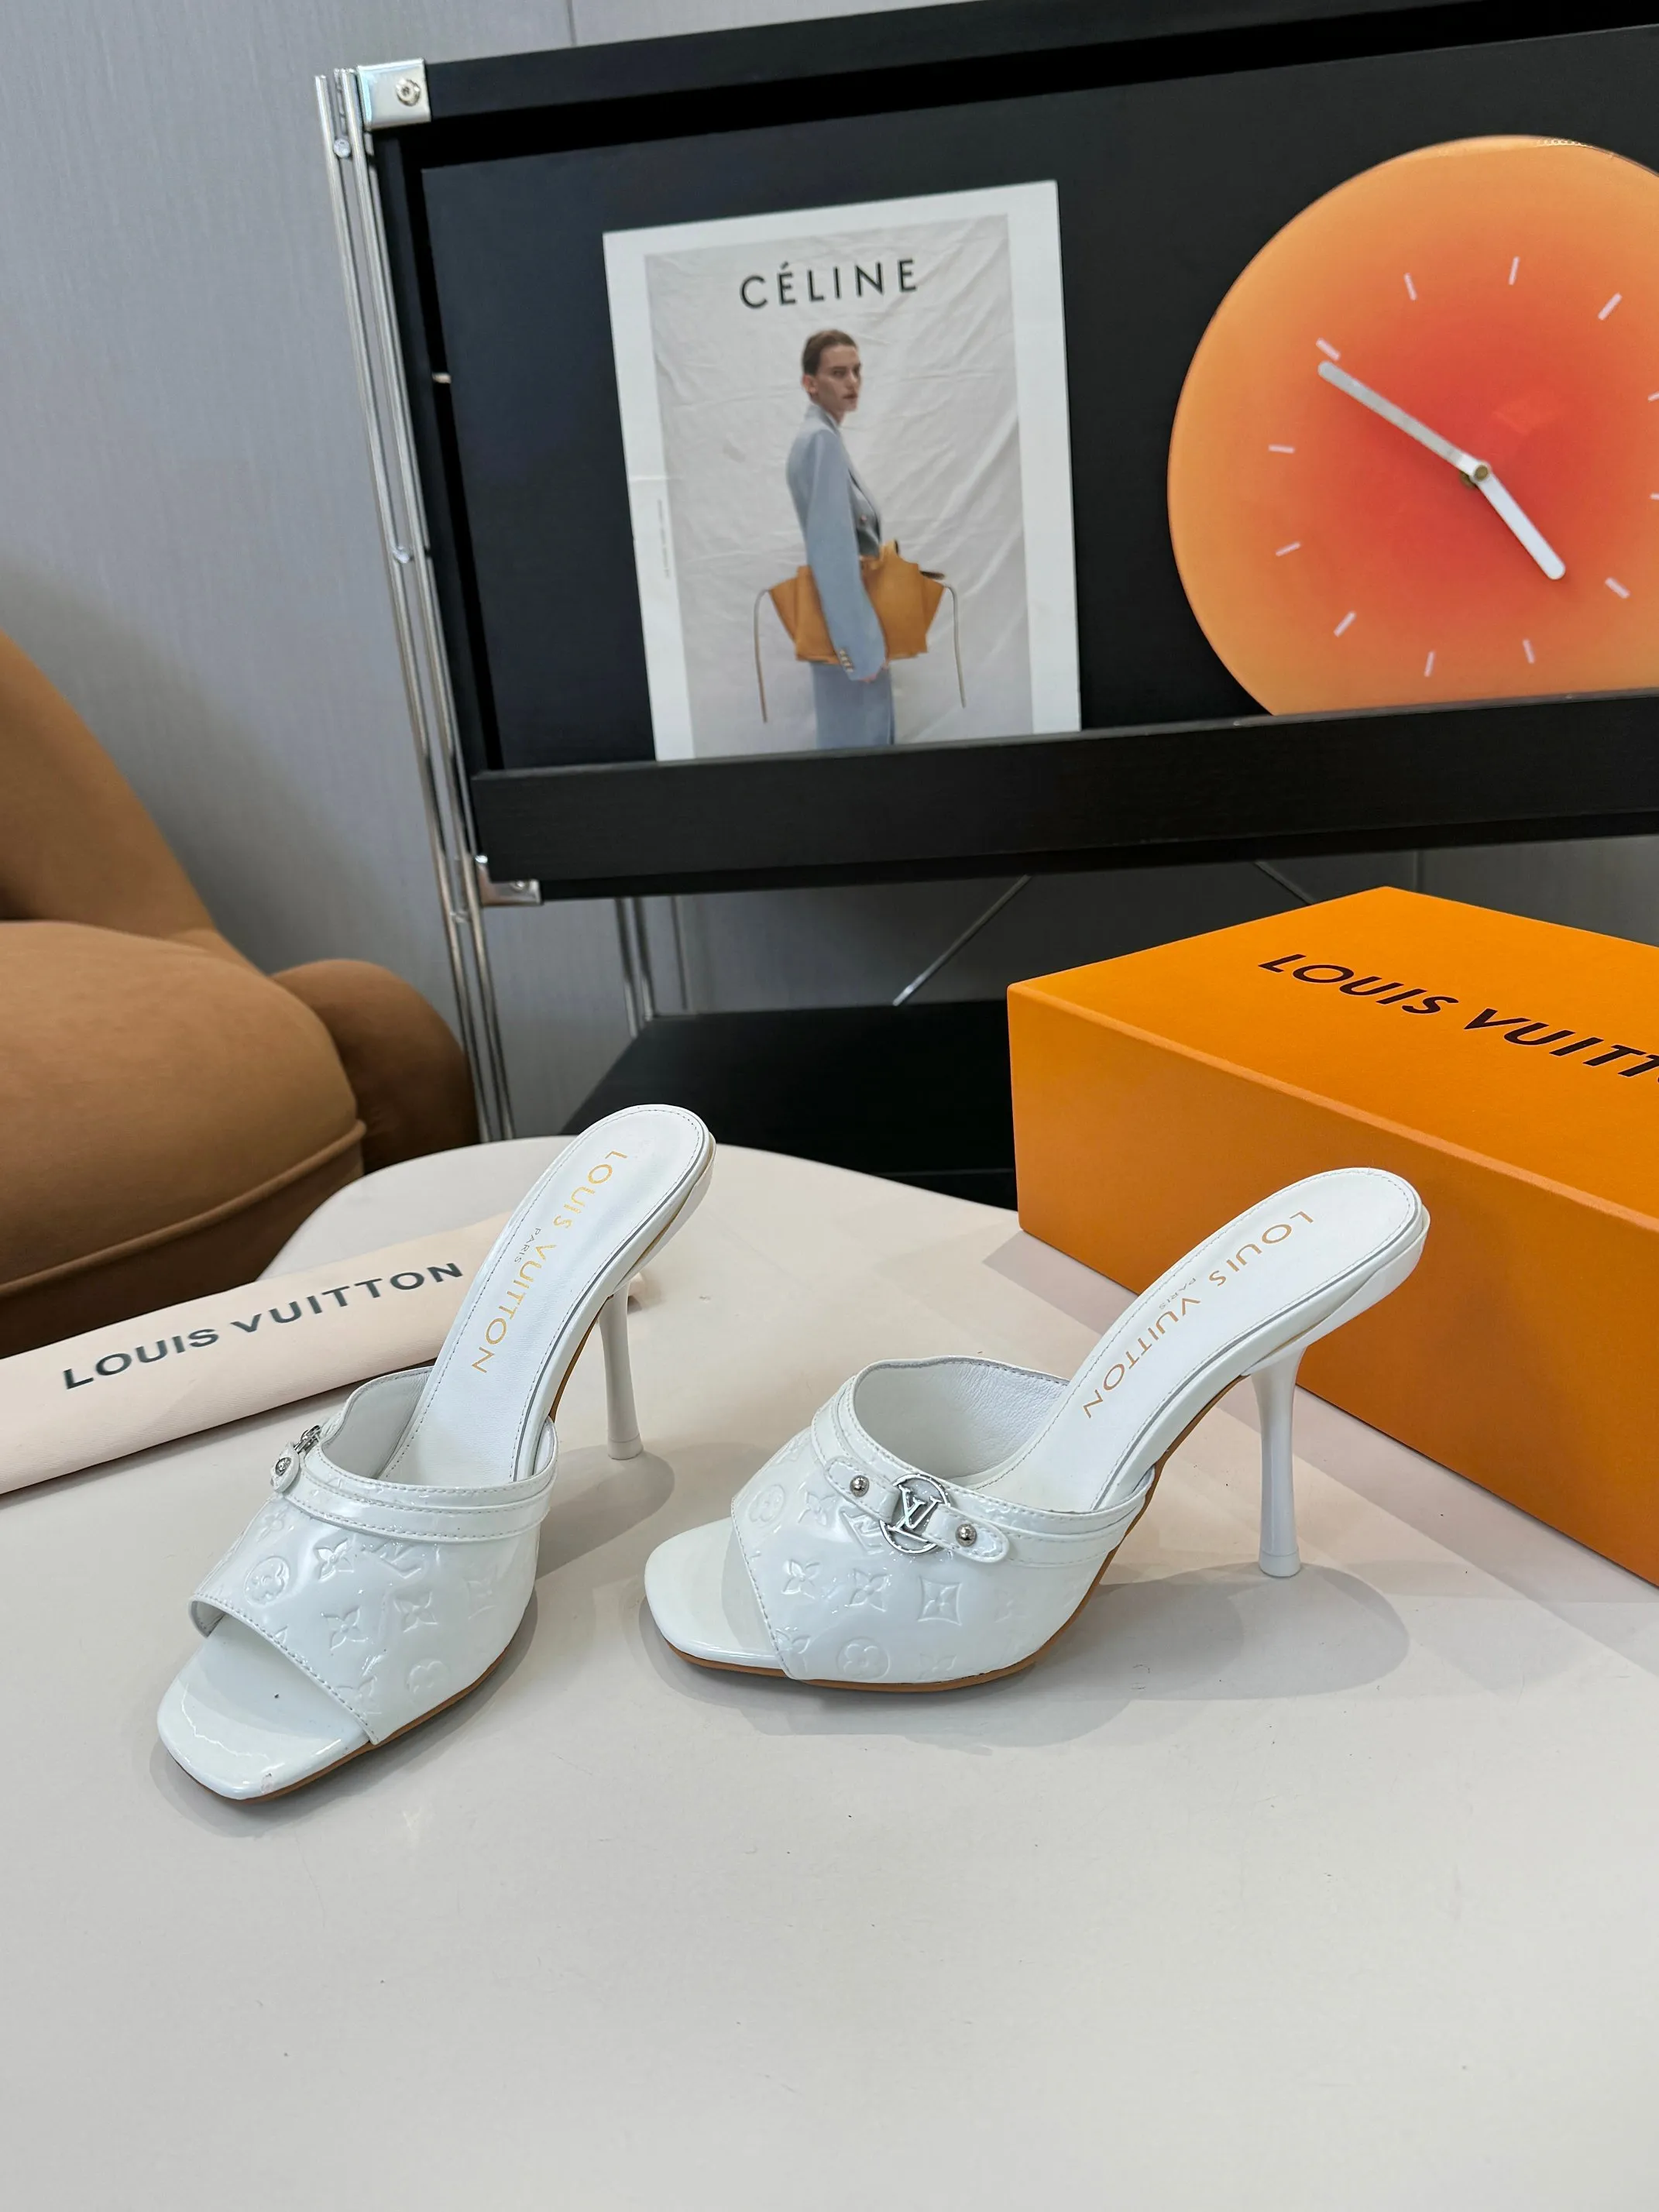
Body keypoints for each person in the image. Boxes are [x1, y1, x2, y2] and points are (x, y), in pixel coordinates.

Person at [785, 329, 895, 748]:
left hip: (849, 633)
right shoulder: (821, 442)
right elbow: (832, 554)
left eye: (856, 371)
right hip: (850, 642)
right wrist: (861, 652)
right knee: (860, 753)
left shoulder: (825, 437)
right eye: (837, 373)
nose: (852, 382)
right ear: (809, 383)